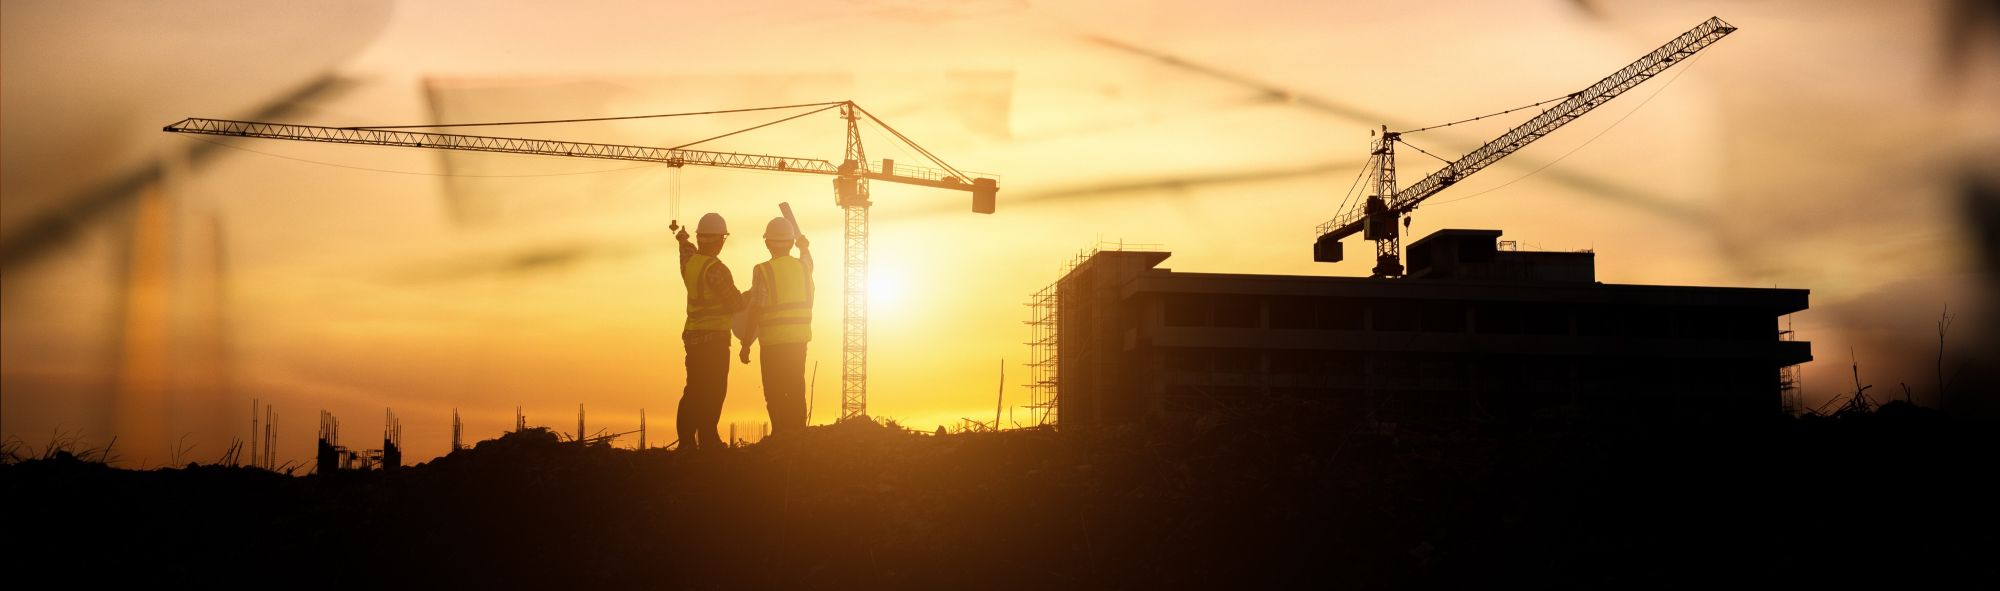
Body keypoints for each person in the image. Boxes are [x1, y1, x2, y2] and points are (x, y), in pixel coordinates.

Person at [676, 213, 744, 451]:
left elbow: (686, 250)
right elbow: (734, 304)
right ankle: (708, 438)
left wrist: (682, 239)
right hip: (714, 339)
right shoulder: (717, 270)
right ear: (719, 240)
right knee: (714, 389)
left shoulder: (690, 263)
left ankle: (686, 441)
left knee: (694, 388)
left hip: (693, 337)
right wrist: (751, 298)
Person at [739, 216, 813, 434]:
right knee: (796, 388)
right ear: (790, 243)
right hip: (799, 340)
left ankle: (781, 434)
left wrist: (746, 343)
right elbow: (808, 260)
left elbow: (756, 308)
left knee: (775, 391)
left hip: (773, 343)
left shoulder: (763, 270)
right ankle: (797, 434)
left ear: (767, 243)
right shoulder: (803, 268)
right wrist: (804, 247)